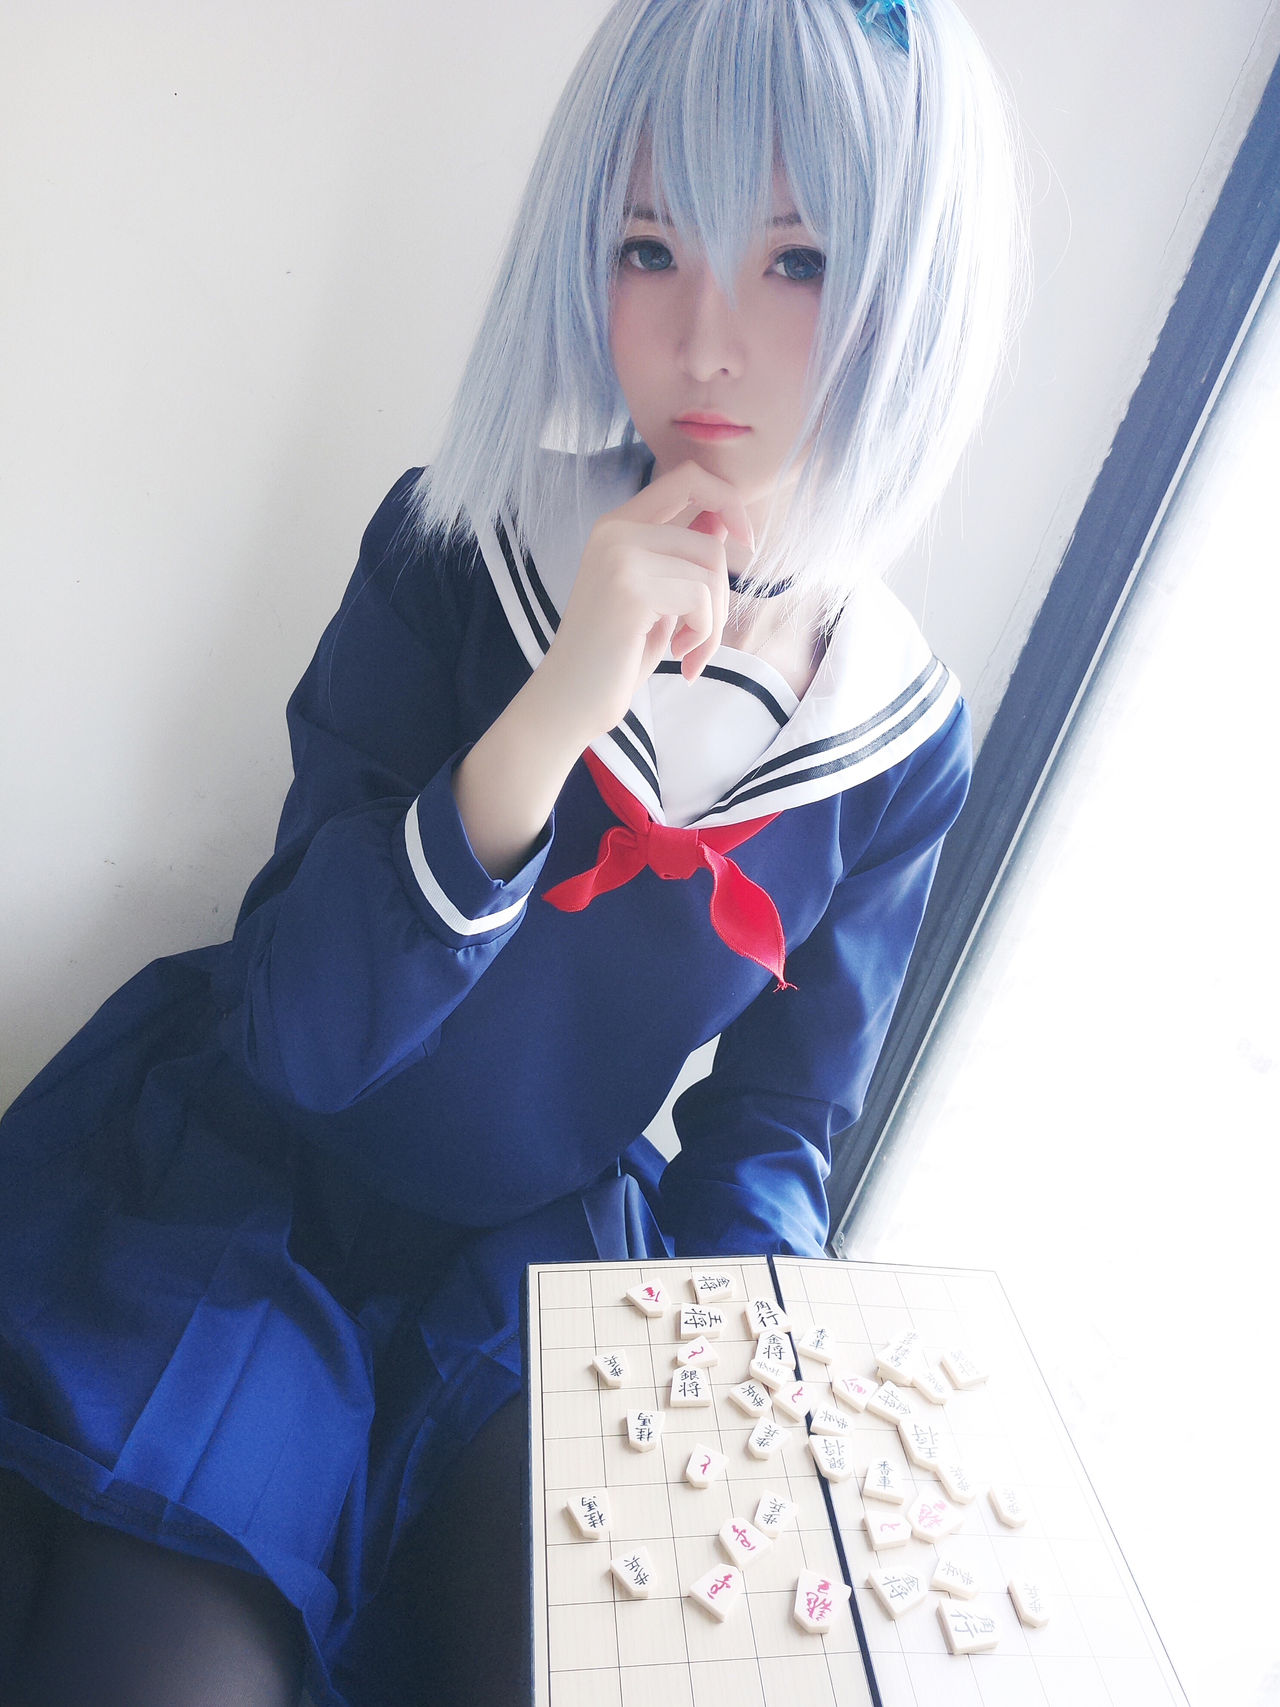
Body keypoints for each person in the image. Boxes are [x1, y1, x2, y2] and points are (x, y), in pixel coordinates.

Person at [0, 0, 1022, 1702]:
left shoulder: (899, 733)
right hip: (255, 1207)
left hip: (534, 1278)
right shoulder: (452, 545)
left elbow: (774, 1131)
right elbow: (301, 1035)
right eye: (648, 247)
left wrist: (744, 1429)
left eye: (795, 261)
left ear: (917, 283)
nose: (702, 341)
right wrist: (551, 715)